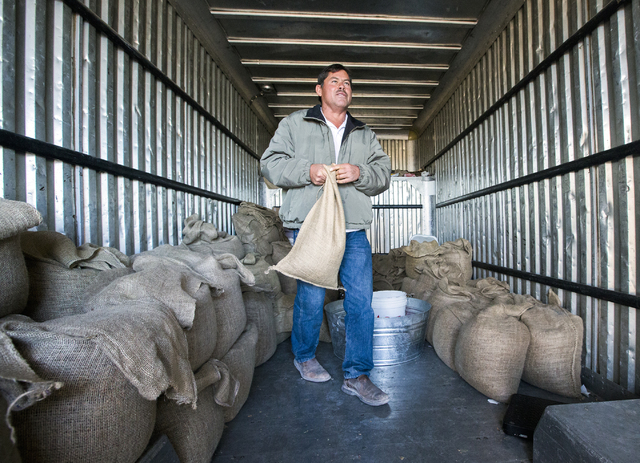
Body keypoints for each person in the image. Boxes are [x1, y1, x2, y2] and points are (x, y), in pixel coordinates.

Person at [260, 64, 392, 406]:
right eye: (335, 81)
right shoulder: (295, 123)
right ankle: (304, 356)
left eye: (347, 83)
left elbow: (383, 174)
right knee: (311, 296)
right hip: (311, 226)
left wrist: (360, 172)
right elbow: (270, 164)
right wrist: (309, 171)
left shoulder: (363, 133)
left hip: (352, 229)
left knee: (361, 302)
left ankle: (357, 375)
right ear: (319, 89)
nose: (342, 86)